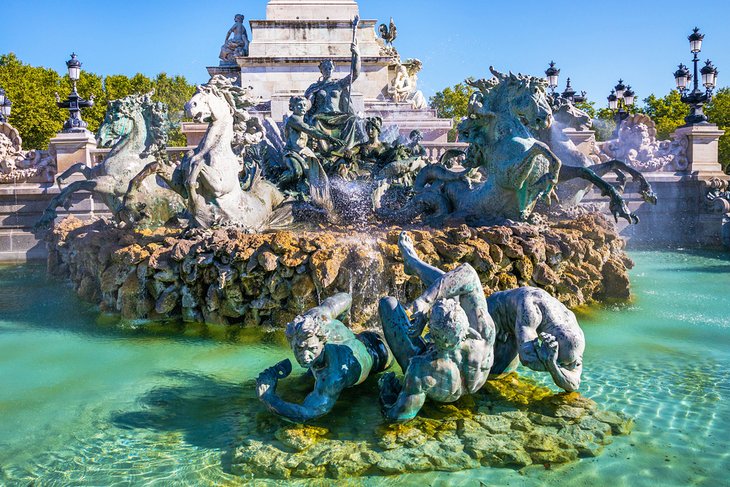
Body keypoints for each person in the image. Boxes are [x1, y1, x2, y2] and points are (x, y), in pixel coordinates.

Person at [377, 232, 495, 422]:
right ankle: (414, 264)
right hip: (476, 381)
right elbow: (467, 274)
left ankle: (413, 265)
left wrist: (386, 392)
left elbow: (399, 416)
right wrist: (428, 300)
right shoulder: (484, 333)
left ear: (430, 333)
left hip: (442, 388)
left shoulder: (420, 368)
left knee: (388, 305)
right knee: (454, 287)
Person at [255, 293, 391, 423]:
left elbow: (307, 413)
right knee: (299, 384)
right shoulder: (318, 317)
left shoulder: (332, 378)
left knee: (306, 385)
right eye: (299, 349)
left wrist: (268, 397)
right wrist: (344, 326)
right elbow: (346, 298)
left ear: (323, 340)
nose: (305, 356)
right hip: (357, 339)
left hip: (382, 356)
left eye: (312, 349)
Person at [487, 287, 585, 392]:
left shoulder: (576, 337)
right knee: (482, 369)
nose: (563, 366)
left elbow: (573, 385)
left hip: (515, 326)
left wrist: (552, 364)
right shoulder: (531, 308)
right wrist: (552, 364)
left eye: (563, 364)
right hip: (493, 313)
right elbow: (527, 358)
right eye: (559, 362)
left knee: (503, 372)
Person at [304, 42, 367, 153]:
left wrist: (357, 54)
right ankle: (326, 152)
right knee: (315, 121)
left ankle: (344, 150)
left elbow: (355, 74)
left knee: (353, 120)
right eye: (325, 68)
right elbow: (309, 102)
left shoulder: (339, 84)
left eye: (330, 68)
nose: (328, 70)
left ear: (333, 69)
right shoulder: (315, 87)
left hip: (338, 116)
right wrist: (302, 106)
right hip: (322, 117)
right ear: (321, 70)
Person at [280, 96, 340, 187]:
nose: (303, 107)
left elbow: (311, 131)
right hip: (291, 153)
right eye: (300, 105)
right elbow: (309, 130)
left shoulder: (303, 121)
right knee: (296, 172)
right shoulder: (293, 120)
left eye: (304, 105)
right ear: (292, 107)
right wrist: (330, 138)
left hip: (303, 152)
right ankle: (277, 185)